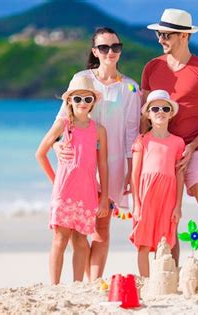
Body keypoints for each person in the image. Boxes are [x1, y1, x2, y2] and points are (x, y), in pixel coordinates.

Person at [141, 8, 198, 264]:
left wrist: (192, 146)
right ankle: (171, 273)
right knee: (168, 217)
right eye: (159, 34)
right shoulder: (152, 68)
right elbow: (144, 115)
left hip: (197, 149)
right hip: (162, 152)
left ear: (184, 36)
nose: (161, 39)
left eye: (166, 34)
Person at [53, 27, 141, 281]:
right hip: (78, 164)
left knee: (101, 226)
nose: (110, 52)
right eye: (104, 48)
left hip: (112, 166)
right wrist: (58, 145)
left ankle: (93, 283)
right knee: (75, 226)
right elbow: (62, 119)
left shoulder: (131, 88)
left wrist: (130, 172)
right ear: (95, 51)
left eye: (115, 47)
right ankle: (76, 280)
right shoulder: (81, 78)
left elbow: (131, 134)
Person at [35, 76, 109, 285]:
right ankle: (55, 286)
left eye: (87, 99)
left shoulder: (99, 130)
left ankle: (77, 285)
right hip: (64, 192)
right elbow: (40, 153)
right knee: (60, 238)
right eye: (77, 99)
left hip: (88, 193)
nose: (82, 103)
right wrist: (54, 180)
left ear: (93, 102)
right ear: (70, 101)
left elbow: (103, 165)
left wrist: (104, 197)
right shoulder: (63, 125)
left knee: (81, 239)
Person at [129, 89, 185, 277]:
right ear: (148, 115)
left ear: (170, 113)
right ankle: (145, 281)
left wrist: (178, 206)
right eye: (155, 109)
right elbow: (134, 175)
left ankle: (160, 280)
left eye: (164, 108)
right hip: (146, 195)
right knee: (143, 241)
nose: (160, 111)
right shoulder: (142, 140)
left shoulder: (178, 143)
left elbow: (179, 175)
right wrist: (136, 204)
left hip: (168, 195)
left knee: (164, 241)